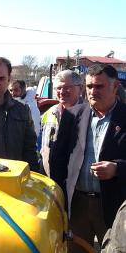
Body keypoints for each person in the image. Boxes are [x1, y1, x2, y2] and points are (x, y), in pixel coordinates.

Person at [50, 64, 126, 252]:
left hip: (115, 205)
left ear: (115, 86)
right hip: (77, 205)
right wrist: (60, 199)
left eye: (99, 86)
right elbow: (57, 160)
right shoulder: (72, 115)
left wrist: (117, 168)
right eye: (90, 86)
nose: (93, 91)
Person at [40, 70, 83, 176]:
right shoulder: (49, 112)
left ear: (80, 89)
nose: (62, 92)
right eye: (58, 88)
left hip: (74, 185)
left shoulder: (89, 114)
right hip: (49, 180)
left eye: (67, 87)